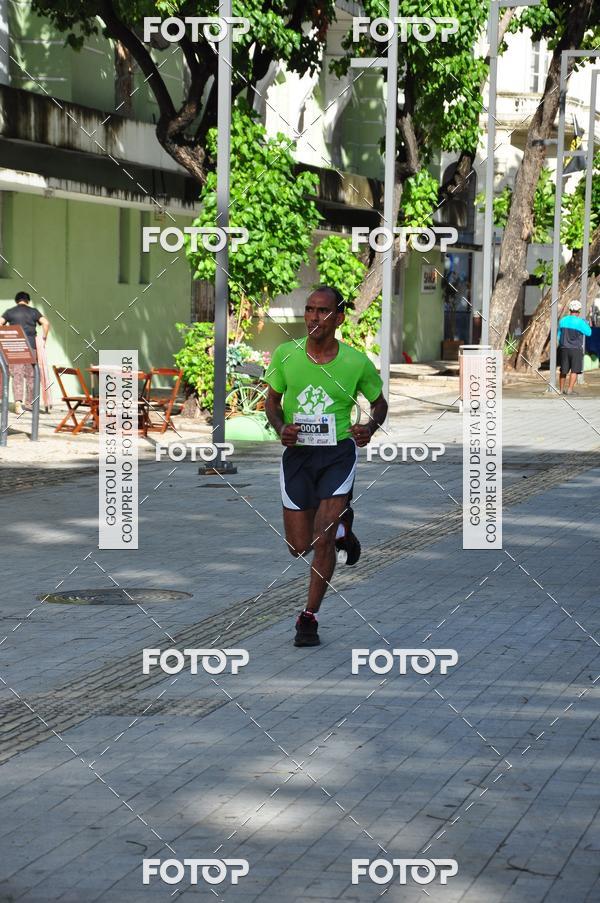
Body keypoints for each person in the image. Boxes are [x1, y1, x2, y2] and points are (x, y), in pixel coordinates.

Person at [264, 286, 388, 648]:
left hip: (337, 453)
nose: (314, 317)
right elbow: (272, 401)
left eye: (322, 311)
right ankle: (341, 531)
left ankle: (309, 618)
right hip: (298, 457)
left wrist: (369, 427)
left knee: (321, 536)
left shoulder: (355, 361)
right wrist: (279, 427)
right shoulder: (287, 355)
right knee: (298, 546)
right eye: (309, 310)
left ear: (338, 317)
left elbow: (379, 403)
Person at [0, 291, 50, 414]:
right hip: (31, 347)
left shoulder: (10, 312)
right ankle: (30, 404)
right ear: (27, 300)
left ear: (17, 300)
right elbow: (46, 323)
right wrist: (44, 338)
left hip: (15, 346)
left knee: (17, 375)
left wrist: (7, 335)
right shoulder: (34, 311)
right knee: (31, 376)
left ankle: (18, 404)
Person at [557, 299, 591, 395]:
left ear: (570, 310)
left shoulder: (563, 320)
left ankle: (560, 390)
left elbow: (559, 335)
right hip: (576, 349)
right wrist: (585, 324)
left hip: (564, 349)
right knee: (574, 370)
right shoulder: (580, 322)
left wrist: (562, 344)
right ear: (579, 310)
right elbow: (589, 333)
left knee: (563, 370)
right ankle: (570, 390)